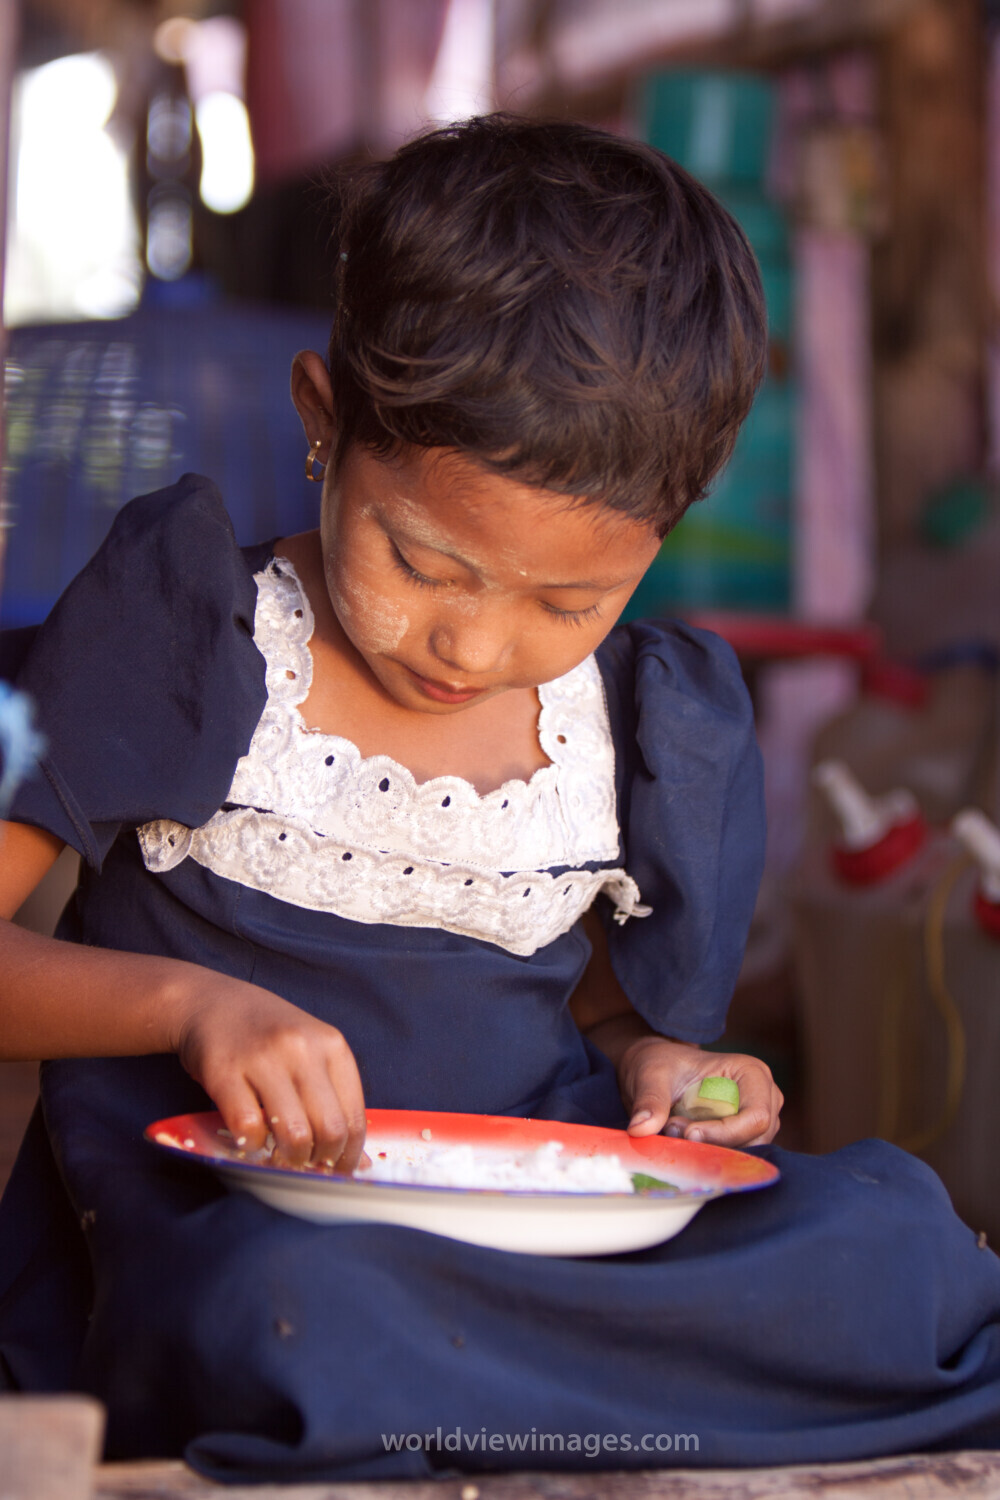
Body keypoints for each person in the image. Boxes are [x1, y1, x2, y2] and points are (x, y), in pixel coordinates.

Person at [0, 115, 998, 1482]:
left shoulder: (640, 717)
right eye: (421, 560)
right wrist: (190, 1007)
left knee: (900, 1237)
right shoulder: (196, 626)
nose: (470, 644)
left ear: (657, 546)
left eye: (567, 600)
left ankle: (523, 1395)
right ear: (323, 421)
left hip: (536, 1235)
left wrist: (662, 1073)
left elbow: (592, 1010)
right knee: (292, 1316)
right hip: (249, 1230)